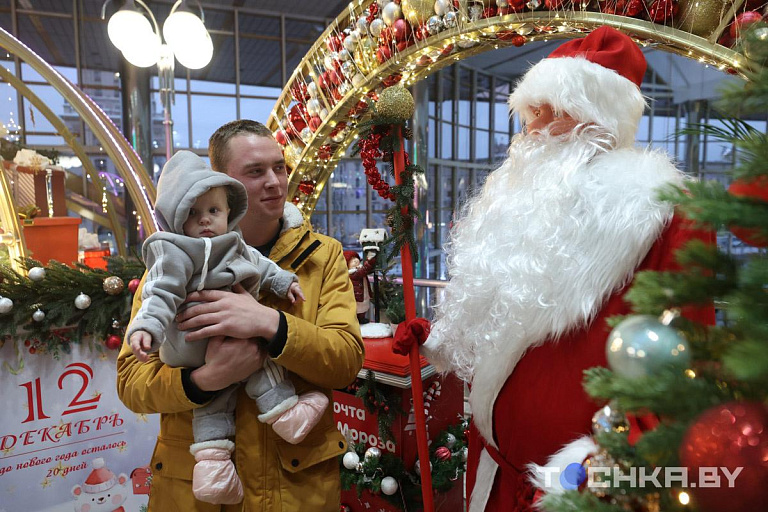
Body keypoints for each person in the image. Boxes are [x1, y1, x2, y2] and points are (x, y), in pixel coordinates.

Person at [396, 27, 714, 510]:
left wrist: (607, 466)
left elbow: (685, 371)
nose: (534, 128)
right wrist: (443, 337)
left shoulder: (667, 214)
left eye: (553, 110)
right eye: (530, 111)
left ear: (598, 117)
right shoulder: (521, 207)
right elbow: (506, 327)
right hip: (497, 476)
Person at [117, 121, 364, 511]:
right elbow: (132, 383)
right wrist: (206, 379)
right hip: (197, 492)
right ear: (219, 185)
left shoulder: (322, 256)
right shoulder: (172, 264)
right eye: (255, 171)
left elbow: (346, 362)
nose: (275, 182)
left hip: (294, 490)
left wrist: (270, 324)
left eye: (279, 167)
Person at [344, 250, 375, 324]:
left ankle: (361, 318)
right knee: (357, 308)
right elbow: (365, 270)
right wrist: (370, 260)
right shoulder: (352, 273)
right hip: (356, 296)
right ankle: (356, 320)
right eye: (351, 260)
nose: (355, 260)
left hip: (363, 294)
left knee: (363, 307)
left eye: (355, 258)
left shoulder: (359, 269)